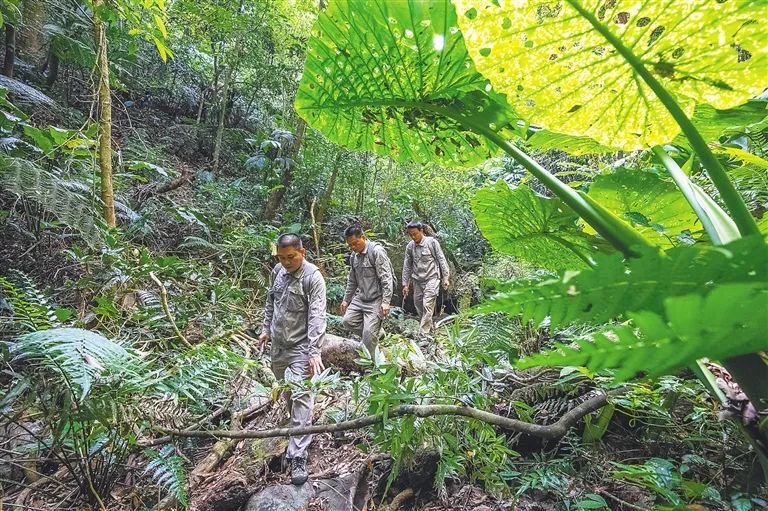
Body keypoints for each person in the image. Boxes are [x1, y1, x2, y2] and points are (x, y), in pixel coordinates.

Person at [259, 233, 326, 485]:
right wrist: (265, 329)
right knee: (288, 392)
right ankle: (299, 430)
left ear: (302, 253)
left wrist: (314, 351)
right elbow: (271, 303)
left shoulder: (312, 277)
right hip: (278, 346)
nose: (286, 262)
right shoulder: (277, 271)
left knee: (300, 395)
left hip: (300, 347)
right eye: (281, 257)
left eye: (291, 257)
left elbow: (318, 316)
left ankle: (298, 455)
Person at [340, 225, 394, 354]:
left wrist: (386, 301)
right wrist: (346, 300)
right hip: (361, 297)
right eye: (350, 245)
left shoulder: (376, 252)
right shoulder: (354, 256)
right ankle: (376, 333)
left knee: (368, 337)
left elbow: (386, 278)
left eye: (355, 243)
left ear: (363, 237)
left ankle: (371, 366)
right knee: (347, 321)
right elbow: (352, 280)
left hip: (376, 298)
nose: (353, 247)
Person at [402, 221, 450, 339]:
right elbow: (407, 266)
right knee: (418, 305)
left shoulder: (432, 243)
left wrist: (445, 278)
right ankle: (429, 327)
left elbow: (441, 260)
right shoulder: (410, 247)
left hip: (432, 278)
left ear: (421, 231)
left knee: (427, 304)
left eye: (415, 234)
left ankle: (423, 334)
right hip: (417, 280)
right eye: (410, 235)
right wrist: (405, 284)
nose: (413, 237)